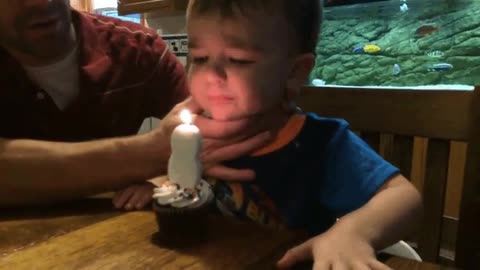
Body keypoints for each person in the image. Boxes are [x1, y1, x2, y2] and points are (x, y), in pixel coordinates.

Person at [126, 0, 422, 269]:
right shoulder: (197, 133)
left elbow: (405, 198)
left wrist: (352, 233)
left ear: (294, 73)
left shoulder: (318, 144)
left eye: (239, 60)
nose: (210, 75)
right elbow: (187, 182)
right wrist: (159, 184)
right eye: (200, 58)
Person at [0, 0, 276, 208]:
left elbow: (217, 138)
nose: (41, 1)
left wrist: (163, 182)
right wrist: (151, 154)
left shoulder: (139, 50)